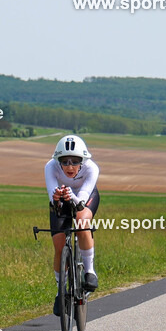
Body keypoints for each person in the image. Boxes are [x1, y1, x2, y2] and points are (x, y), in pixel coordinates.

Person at [45, 135, 100, 316]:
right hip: (61, 198)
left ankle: (89, 272)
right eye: (65, 161)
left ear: (82, 161)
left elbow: (83, 196)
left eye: (75, 161)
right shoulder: (50, 167)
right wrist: (58, 197)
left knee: (82, 222)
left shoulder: (92, 168)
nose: (69, 166)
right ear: (57, 160)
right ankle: (61, 291)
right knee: (59, 243)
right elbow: (52, 194)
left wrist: (73, 198)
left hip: (84, 198)